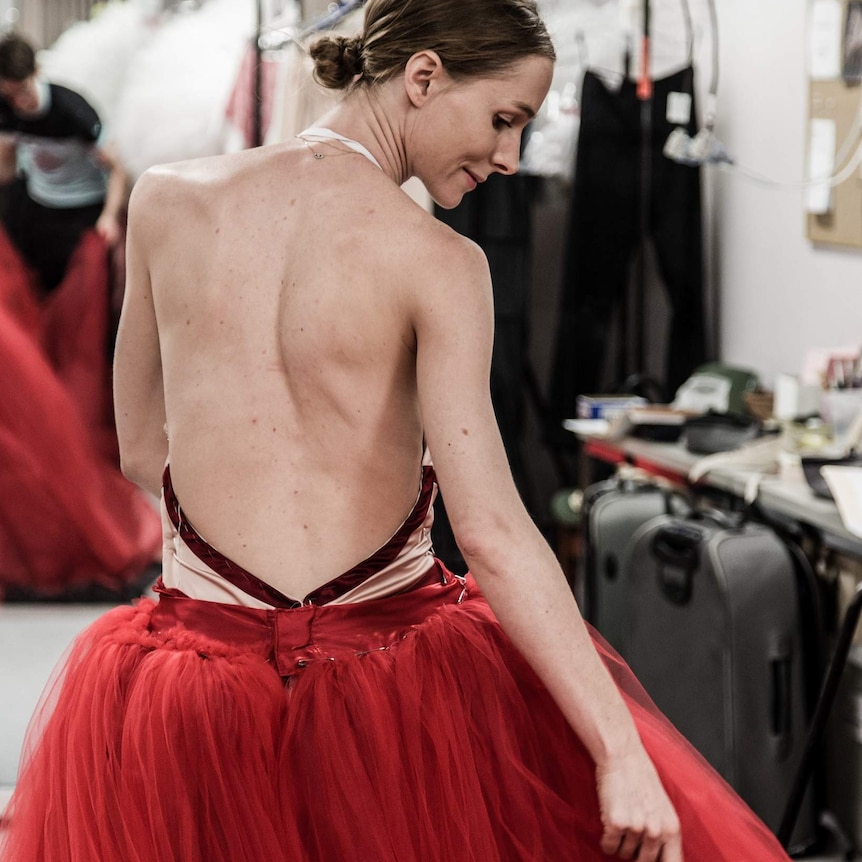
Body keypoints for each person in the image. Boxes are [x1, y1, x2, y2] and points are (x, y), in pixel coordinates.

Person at [0, 1, 792, 859]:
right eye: (503, 119)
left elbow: (140, 448)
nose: (511, 157)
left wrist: (244, 559)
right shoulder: (443, 264)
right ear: (422, 77)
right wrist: (619, 749)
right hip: (386, 680)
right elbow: (490, 530)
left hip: (192, 681)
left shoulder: (166, 200)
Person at [0, 32, 126, 295]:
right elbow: (6, 159)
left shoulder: (73, 110)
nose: (19, 103)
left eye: (23, 91)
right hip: (41, 201)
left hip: (83, 205)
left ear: (37, 70)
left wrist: (109, 217)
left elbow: (117, 168)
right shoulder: (6, 110)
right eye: (10, 96)